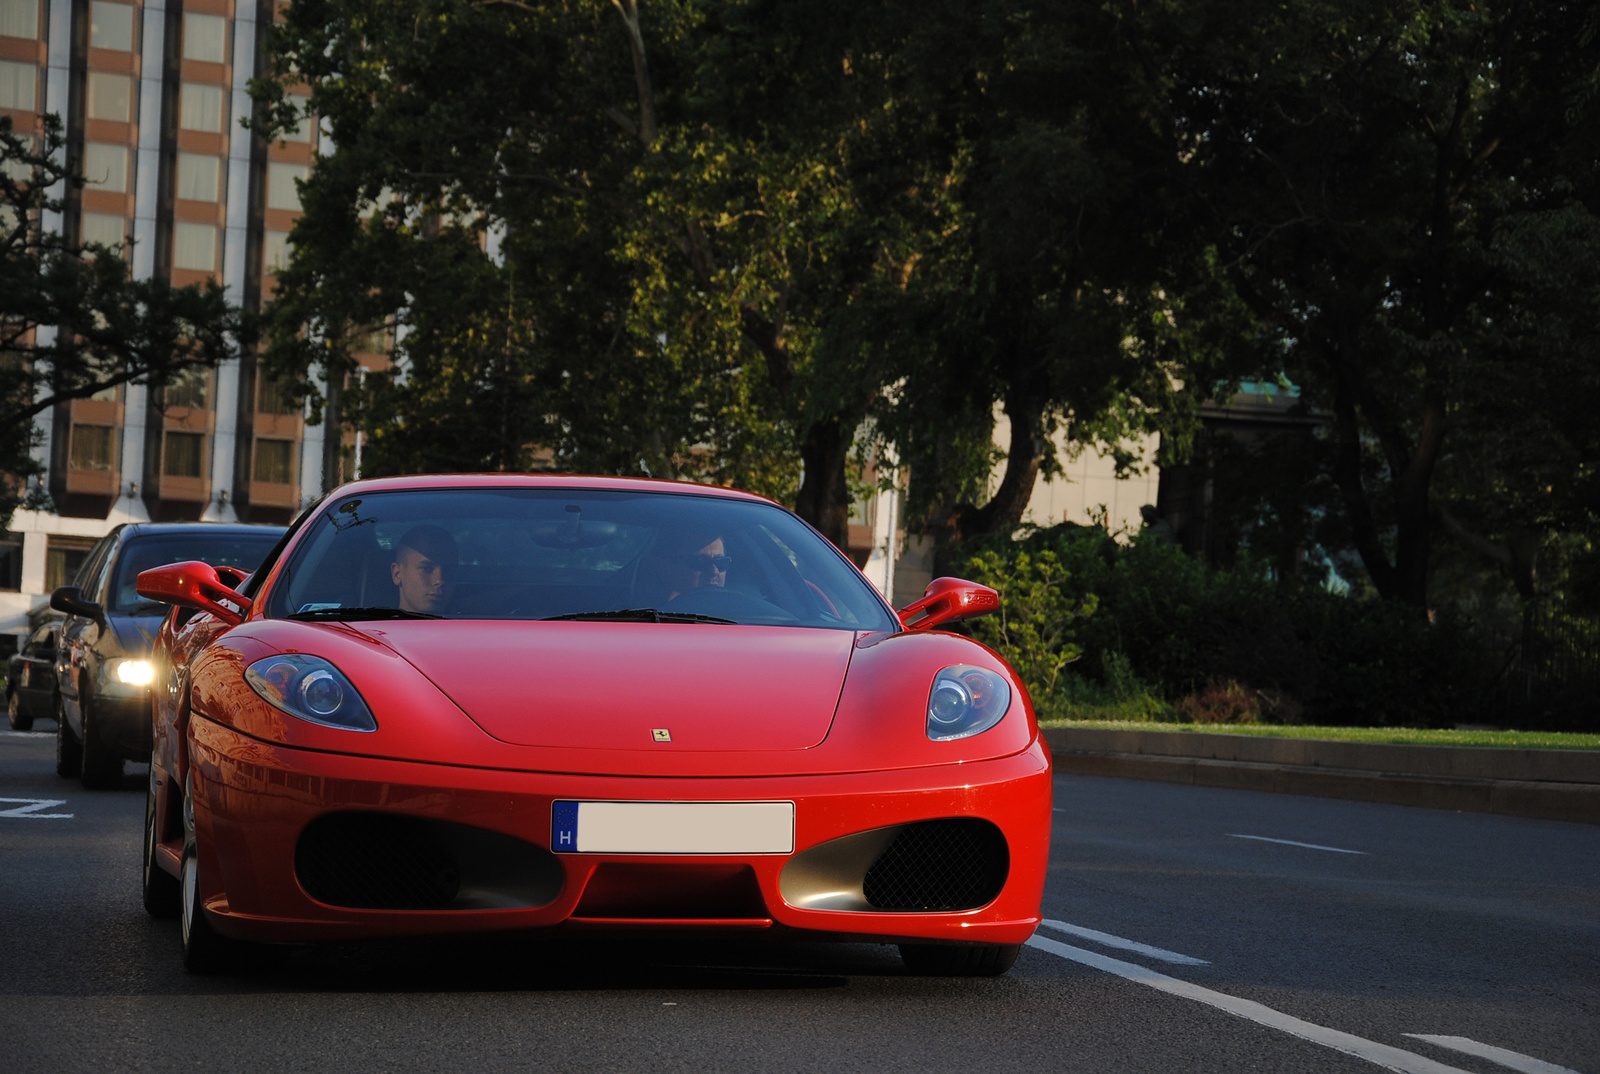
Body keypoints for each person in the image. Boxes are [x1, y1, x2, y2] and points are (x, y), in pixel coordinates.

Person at [390, 525, 458, 614]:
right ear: (397, 574)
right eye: (427, 569)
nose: (440, 580)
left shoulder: (473, 625)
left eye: (449, 571)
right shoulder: (371, 625)